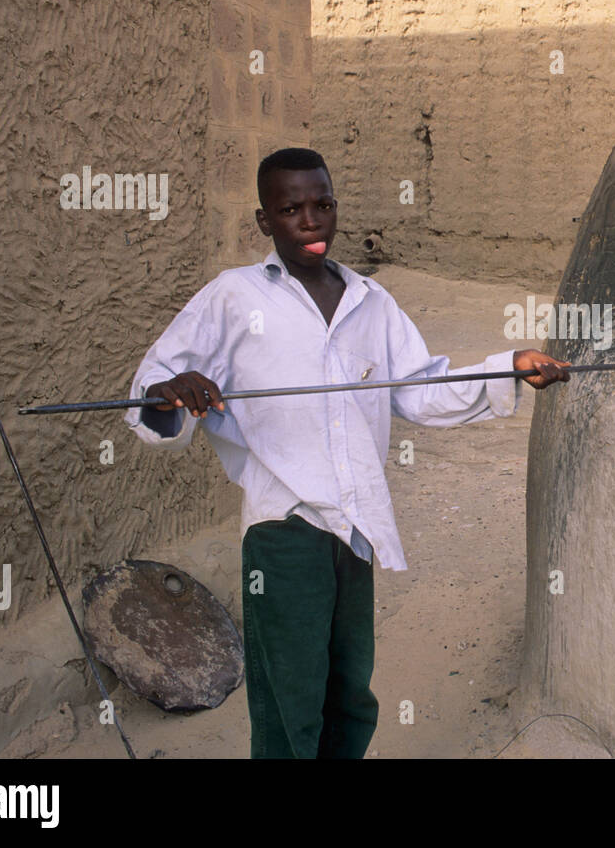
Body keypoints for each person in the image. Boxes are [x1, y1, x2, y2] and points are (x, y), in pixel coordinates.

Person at [123, 146, 570, 758]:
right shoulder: (233, 297)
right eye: (291, 209)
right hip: (284, 528)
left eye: (322, 204)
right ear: (264, 222)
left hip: (354, 528)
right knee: (290, 703)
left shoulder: (369, 302)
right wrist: (167, 394)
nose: (311, 220)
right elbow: (154, 389)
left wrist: (508, 369)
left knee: (349, 695)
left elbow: (420, 388)